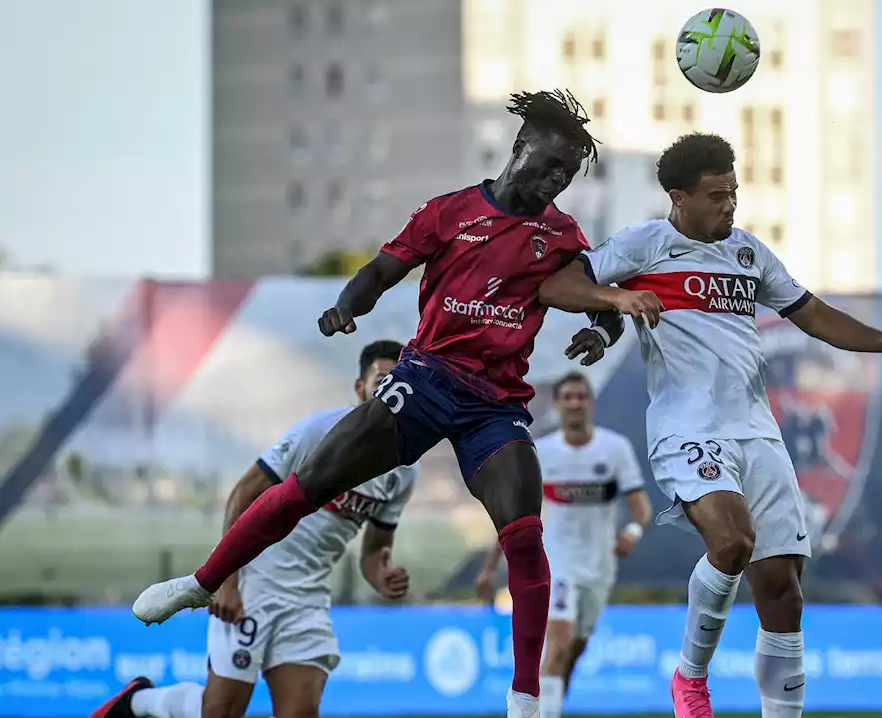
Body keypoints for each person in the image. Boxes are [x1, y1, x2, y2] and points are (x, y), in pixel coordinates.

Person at [131, 90, 626, 718]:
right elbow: (381, 272)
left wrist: (603, 330)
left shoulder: (560, 232)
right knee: (309, 484)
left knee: (525, 538)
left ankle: (525, 699)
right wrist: (347, 305)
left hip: (494, 408)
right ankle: (200, 585)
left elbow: (595, 292)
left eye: (566, 174)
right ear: (520, 146)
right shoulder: (448, 213)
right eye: (549, 164)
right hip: (424, 381)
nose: (555, 181)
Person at [537, 132, 882, 718]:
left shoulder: (749, 254)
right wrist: (615, 301)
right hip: (687, 429)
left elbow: (814, 315)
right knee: (732, 541)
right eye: (716, 195)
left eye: (733, 193)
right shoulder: (646, 244)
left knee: (782, 592)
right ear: (678, 197)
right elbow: (557, 285)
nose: (730, 206)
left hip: (758, 432)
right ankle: (690, 679)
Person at [93, 341, 415, 718]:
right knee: (220, 712)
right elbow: (245, 493)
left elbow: (375, 550)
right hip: (253, 583)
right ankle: (139, 703)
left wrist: (383, 576)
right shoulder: (319, 433)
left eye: (398, 381)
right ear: (360, 388)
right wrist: (227, 581)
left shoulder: (404, 470)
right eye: (380, 380)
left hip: (308, 601)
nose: (389, 391)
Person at [475, 372, 652, 718]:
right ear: (557, 404)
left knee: (571, 651)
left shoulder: (615, 449)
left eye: (581, 396)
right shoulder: (541, 451)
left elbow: (640, 505)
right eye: (568, 397)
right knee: (555, 645)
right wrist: (488, 568)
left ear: (591, 402)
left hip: (599, 567)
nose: (575, 403)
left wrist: (632, 530)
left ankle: (552, 703)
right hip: (555, 564)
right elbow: (514, 514)